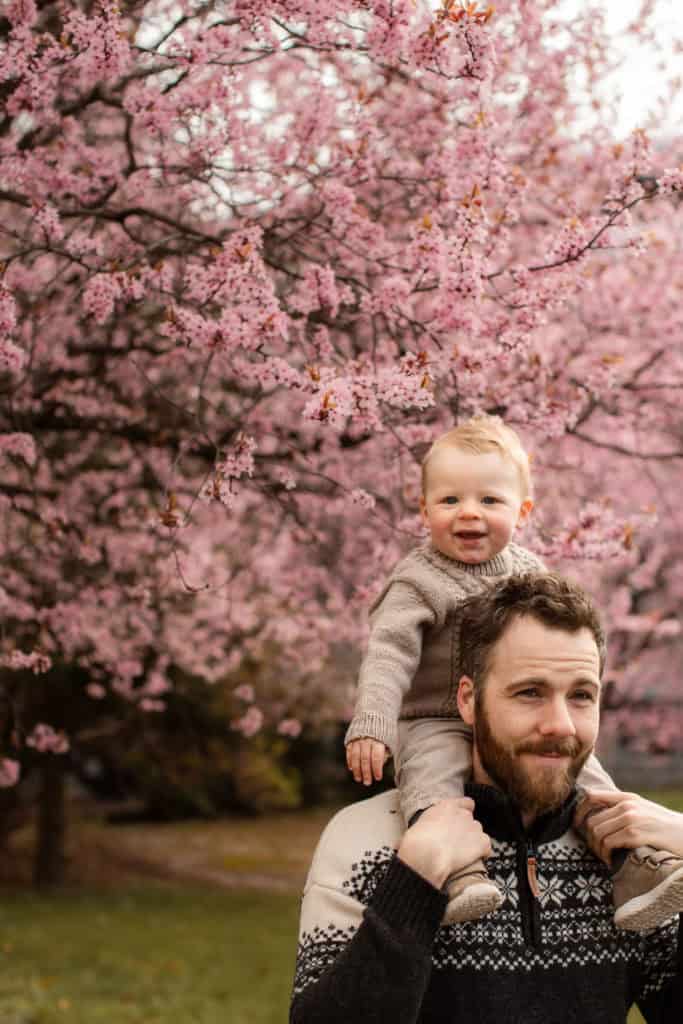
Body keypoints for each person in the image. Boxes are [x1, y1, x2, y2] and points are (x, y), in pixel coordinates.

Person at [291, 575, 683, 1024]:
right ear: (467, 700)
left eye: (580, 696)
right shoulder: (366, 842)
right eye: (530, 692)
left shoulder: (637, 861)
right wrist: (413, 883)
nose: (561, 725)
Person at [344, 416, 683, 928]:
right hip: (434, 716)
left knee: (589, 779)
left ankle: (634, 866)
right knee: (433, 781)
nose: (469, 515)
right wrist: (373, 721)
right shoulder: (417, 581)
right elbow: (389, 654)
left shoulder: (532, 574)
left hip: (511, 715)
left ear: (522, 511)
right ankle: (459, 875)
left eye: (490, 501)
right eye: (450, 500)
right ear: (424, 509)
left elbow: (572, 636)